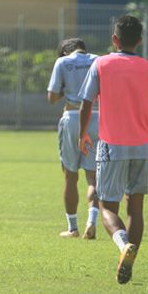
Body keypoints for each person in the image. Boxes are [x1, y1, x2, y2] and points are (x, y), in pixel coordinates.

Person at [78, 15, 148, 284]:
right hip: (144, 145)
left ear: (115, 39)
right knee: (136, 207)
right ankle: (129, 263)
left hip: (113, 144)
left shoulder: (101, 64)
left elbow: (86, 102)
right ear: (140, 41)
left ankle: (124, 246)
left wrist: (82, 133)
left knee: (107, 205)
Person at [47, 38, 100, 239]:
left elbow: (52, 97)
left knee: (70, 175)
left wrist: (66, 91)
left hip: (72, 117)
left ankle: (72, 227)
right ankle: (92, 222)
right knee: (93, 177)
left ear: (65, 52)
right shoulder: (98, 60)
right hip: (98, 117)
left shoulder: (63, 62)